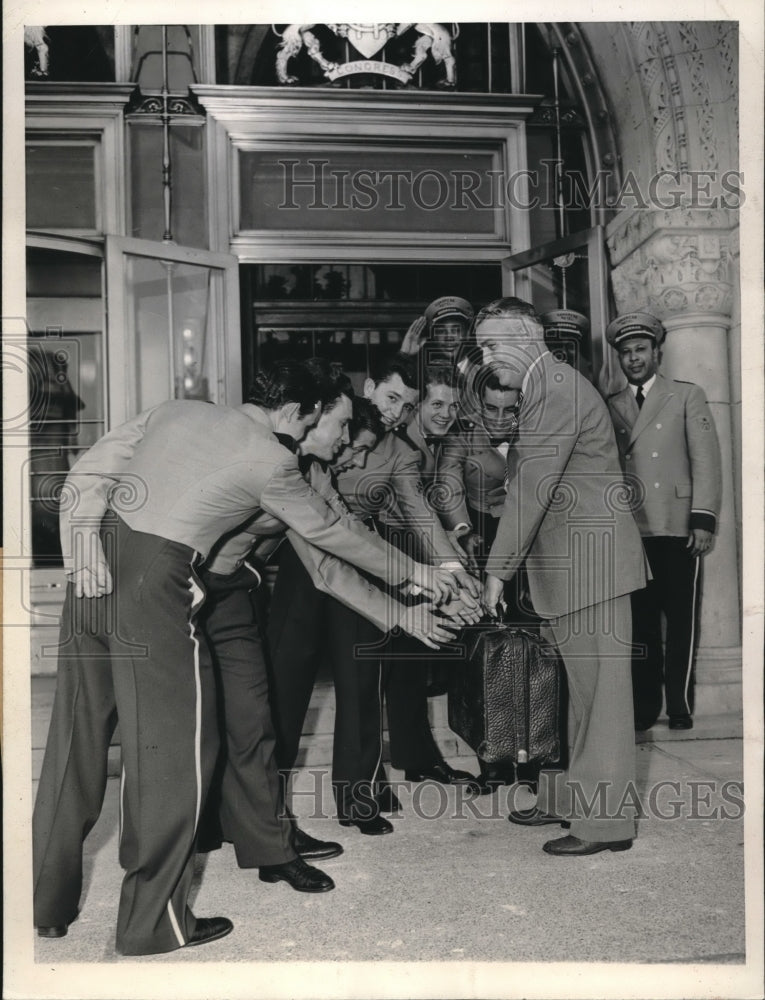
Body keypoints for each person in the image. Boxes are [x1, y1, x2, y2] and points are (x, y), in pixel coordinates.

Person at [33, 361, 459, 954]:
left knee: (83, 740)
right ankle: (152, 924)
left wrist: (82, 545)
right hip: (163, 580)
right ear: (300, 413)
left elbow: (91, 471)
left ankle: (47, 902)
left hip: (111, 566)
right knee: (177, 755)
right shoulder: (276, 462)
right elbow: (337, 538)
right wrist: (416, 575)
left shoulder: (178, 410)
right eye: (336, 422)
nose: (345, 437)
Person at [475, 297, 648, 856]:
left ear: (527, 335)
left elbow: (531, 489)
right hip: (574, 564)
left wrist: (496, 570)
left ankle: (605, 826)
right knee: (577, 694)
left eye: (492, 343)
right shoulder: (545, 387)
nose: (485, 357)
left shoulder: (556, 388)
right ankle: (566, 799)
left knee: (603, 700)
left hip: (592, 565)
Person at [605, 312, 722, 731]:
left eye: (640, 349)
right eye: (625, 352)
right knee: (640, 625)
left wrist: (703, 520)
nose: (633, 358)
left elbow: (705, 461)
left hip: (676, 526)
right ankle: (643, 706)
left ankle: (679, 703)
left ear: (657, 351)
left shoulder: (685, 396)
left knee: (681, 620)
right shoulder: (611, 405)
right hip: (633, 530)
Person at [436, 365, 545, 792]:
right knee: (484, 661)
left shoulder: (538, 431)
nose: (499, 418)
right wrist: (463, 533)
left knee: (535, 657)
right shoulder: (461, 435)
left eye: (508, 409)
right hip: (479, 545)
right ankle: (492, 763)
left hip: (529, 549)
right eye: (491, 408)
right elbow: (447, 485)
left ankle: (536, 759)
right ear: (478, 404)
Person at [381, 363, 480, 786]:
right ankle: (414, 757)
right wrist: (450, 568)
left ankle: (416, 755)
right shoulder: (403, 444)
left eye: (453, 405)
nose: (445, 412)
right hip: (392, 548)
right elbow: (413, 514)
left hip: (420, 545)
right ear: (417, 405)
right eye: (436, 403)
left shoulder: (439, 441)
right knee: (403, 658)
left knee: (412, 659)